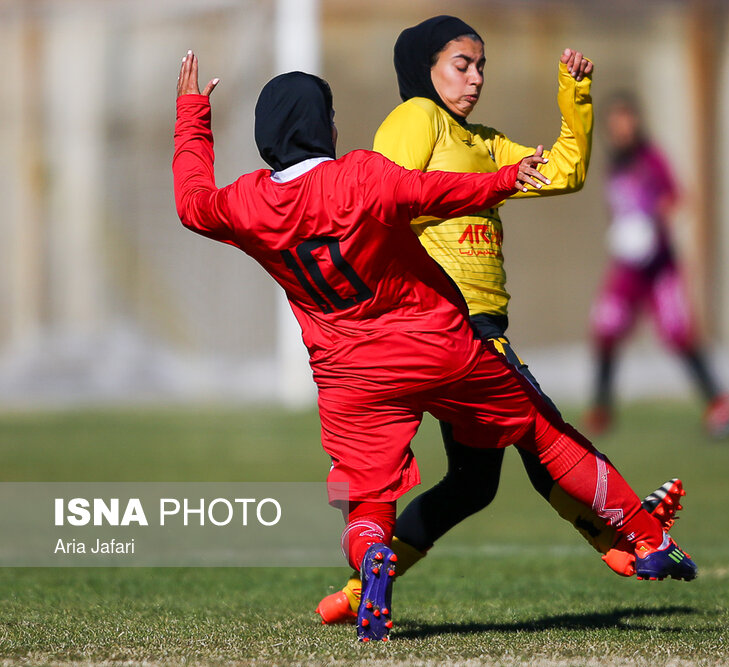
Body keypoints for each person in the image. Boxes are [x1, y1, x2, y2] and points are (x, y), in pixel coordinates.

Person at [173, 51, 696, 643]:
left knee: (368, 497)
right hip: (437, 346)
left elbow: (192, 203)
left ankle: (370, 561)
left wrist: (192, 114)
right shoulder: (360, 176)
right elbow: (430, 192)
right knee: (538, 431)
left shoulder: (244, 203)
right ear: (324, 126)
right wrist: (502, 179)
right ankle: (648, 540)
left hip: (350, 376)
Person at [316, 16, 687, 626]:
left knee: (473, 484)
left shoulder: (484, 142)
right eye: (461, 64)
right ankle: (632, 538)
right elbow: (384, 201)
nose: (476, 77)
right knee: (543, 430)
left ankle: (359, 593)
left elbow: (565, 172)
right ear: (423, 69)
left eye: (481, 65)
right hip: (451, 329)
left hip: (467, 331)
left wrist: (576, 98)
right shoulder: (416, 119)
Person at [584, 92, 729, 439]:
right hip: (626, 269)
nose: (621, 130)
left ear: (636, 123)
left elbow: (677, 197)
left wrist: (651, 224)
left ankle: (718, 401)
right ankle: (601, 407)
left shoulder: (651, 159)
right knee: (606, 329)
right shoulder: (614, 164)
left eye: (626, 121)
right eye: (615, 124)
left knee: (679, 332)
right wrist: (622, 233)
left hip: (659, 267)